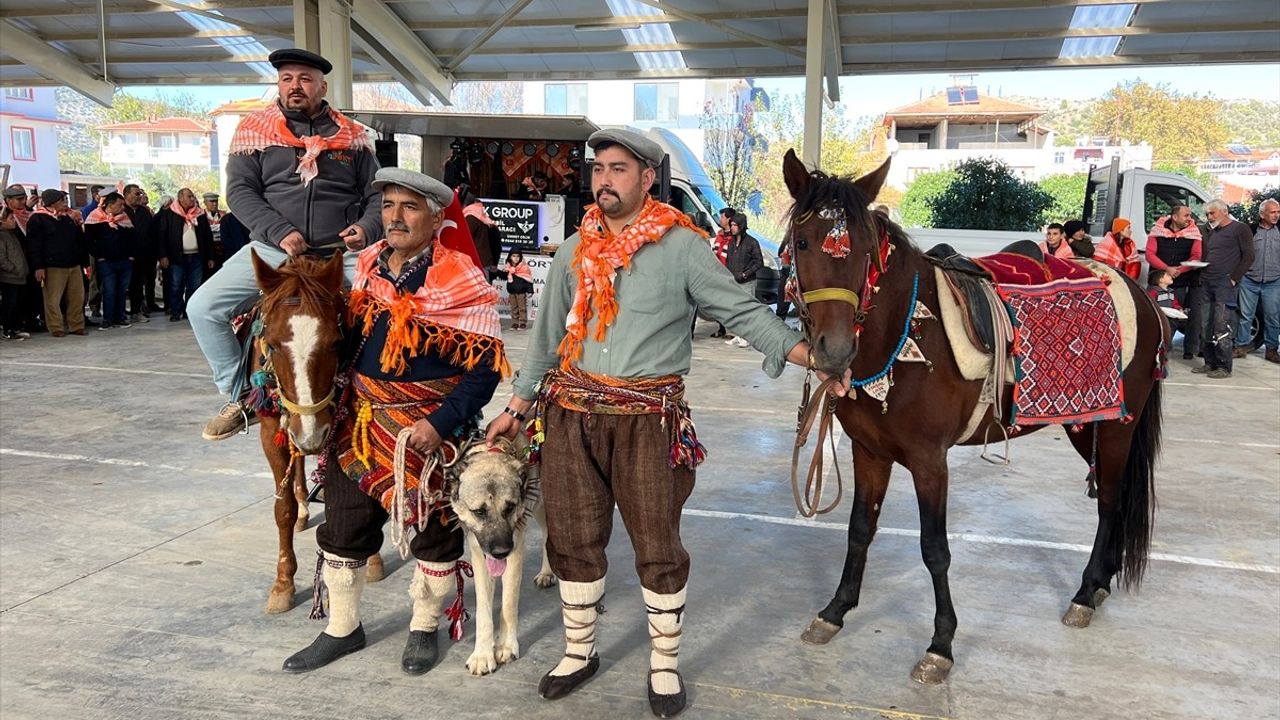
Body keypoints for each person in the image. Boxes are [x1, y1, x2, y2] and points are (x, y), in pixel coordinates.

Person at [483, 128, 845, 719]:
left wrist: (813, 358)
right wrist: (519, 405)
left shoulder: (683, 246)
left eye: (618, 168)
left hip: (649, 420)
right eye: (598, 169)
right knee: (571, 536)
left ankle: (664, 664)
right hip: (570, 416)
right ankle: (580, 652)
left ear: (648, 178)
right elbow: (547, 337)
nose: (604, 179)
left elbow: (742, 312)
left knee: (658, 544)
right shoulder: (576, 248)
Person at [282, 168, 507, 676]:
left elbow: (487, 369)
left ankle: (424, 627)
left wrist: (442, 423)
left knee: (433, 535)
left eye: (409, 206)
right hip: (360, 424)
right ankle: (342, 628)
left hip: (427, 433)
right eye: (388, 206)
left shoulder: (462, 278)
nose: (395, 217)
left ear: (435, 216)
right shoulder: (365, 265)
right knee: (343, 526)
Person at [189, 48, 382, 441]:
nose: (296, 86)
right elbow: (240, 192)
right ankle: (241, 394)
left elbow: (376, 195)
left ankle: (375, 395)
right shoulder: (253, 132)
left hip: (337, 255)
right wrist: (278, 230)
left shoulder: (354, 136)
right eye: (287, 78)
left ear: (322, 86)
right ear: (278, 84)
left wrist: (365, 228)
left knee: (388, 313)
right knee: (203, 308)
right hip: (273, 250)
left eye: (305, 79)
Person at [1193, 199, 1255, 379]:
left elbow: (1249, 256)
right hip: (1207, 282)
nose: (1208, 217)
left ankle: (1224, 366)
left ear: (1224, 211)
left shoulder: (1240, 229)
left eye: (1212, 213)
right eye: (1207, 214)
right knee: (1206, 324)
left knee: (1222, 324)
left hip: (1224, 284)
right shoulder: (1213, 232)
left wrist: (1235, 278)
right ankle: (1210, 362)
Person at [27, 189, 89, 337]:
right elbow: (35, 245)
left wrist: (84, 262)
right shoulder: (38, 219)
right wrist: (39, 266)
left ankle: (76, 325)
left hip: (73, 264)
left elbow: (79, 240)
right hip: (53, 265)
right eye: (62, 200)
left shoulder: (68, 218)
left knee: (77, 297)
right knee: (52, 299)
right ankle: (56, 327)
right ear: (52, 203)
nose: (65, 203)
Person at [1146, 204, 1204, 359]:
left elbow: (1196, 256)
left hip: (1180, 282)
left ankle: (1171, 348)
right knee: (1154, 315)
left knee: (1175, 317)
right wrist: (1166, 269)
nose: (1189, 218)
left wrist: (1178, 270)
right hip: (1157, 282)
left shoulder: (1194, 233)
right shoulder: (1157, 231)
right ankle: (1153, 347)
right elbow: (1150, 254)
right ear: (1175, 217)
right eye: (1186, 215)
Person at [156, 188, 215, 322]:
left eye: (193, 196)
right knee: (176, 285)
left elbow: (207, 237)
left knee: (194, 286)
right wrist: (163, 256)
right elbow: (162, 236)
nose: (192, 199)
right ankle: (176, 311)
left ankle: (190, 311)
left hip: (197, 256)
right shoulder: (170, 213)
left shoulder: (199, 214)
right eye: (189, 196)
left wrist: (210, 256)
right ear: (180, 198)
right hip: (177, 257)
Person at [1233, 198, 1279, 363]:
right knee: (1246, 315)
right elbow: (1240, 253)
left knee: (1273, 316)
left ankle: (1272, 350)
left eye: (1278, 212)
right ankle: (1241, 347)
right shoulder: (1250, 230)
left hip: (1274, 281)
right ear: (1262, 214)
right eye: (1272, 212)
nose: (1276, 215)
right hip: (1249, 280)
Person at [84, 191, 135, 330]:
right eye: (120, 204)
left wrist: (131, 255)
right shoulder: (94, 218)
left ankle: (120, 317)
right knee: (109, 290)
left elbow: (132, 238)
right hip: (106, 261)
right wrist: (99, 255)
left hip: (125, 260)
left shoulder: (125, 218)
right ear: (111, 205)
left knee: (122, 290)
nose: (123, 207)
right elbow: (88, 241)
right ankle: (108, 319)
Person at [2, 185, 40, 334]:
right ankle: (12, 326)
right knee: (12, 299)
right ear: (8, 200)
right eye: (18, 199)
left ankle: (30, 320)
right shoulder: (5, 217)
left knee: (32, 294)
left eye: (24, 198)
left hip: (29, 263)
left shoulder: (28, 214)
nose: (23, 202)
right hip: (12, 266)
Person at [723, 212, 762, 348]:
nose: (732, 228)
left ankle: (747, 337)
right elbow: (728, 260)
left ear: (741, 225)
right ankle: (738, 335)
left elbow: (759, 262)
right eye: (731, 225)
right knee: (736, 310)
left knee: (747, 310)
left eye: (734, 225)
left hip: (747, 282)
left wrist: (746, 274)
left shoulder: (752, 242)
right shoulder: (732, 243)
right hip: (734, 281)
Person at [122, 184, 158, 322]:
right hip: (125, 256)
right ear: (126, 195)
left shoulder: (144, 212)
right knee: (122, 286)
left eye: (140, 194)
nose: (140, 197)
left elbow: (152, 233)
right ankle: (118, 314)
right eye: (136, 194)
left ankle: (136, 311)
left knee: (138, 284)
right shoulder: (121, 211)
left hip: (144, 255)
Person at [0, 194, 30, 340]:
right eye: (11, 219)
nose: (14, 221)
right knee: (9, 304)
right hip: (9, 277)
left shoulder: (13, 235)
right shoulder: (2, 237)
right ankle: (8, 329)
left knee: (17, 304)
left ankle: (16, 327)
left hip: (19, 276)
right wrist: (13, 269)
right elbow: (2, 259)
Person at [501, 249, 534, 329]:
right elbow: (503, 276)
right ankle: (515, 323)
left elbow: (528, 280)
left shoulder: (524, 268)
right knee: (514, 308)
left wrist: (530, 290)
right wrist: (496, 272)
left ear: (521, 257)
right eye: (513, 256)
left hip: (521, 292)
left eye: (518, 256)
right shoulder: (508, 268)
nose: (516, 258)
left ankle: (522, 322)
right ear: (510, 257)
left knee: (522, 308)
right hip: (512, 291)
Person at [202, 192, 226, 274]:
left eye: (216, 201)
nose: (215, 204)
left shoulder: (223, 215)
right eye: (212, 202)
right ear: (205, 203)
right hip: (208, 251)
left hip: (222, 249)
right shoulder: (201, 216)